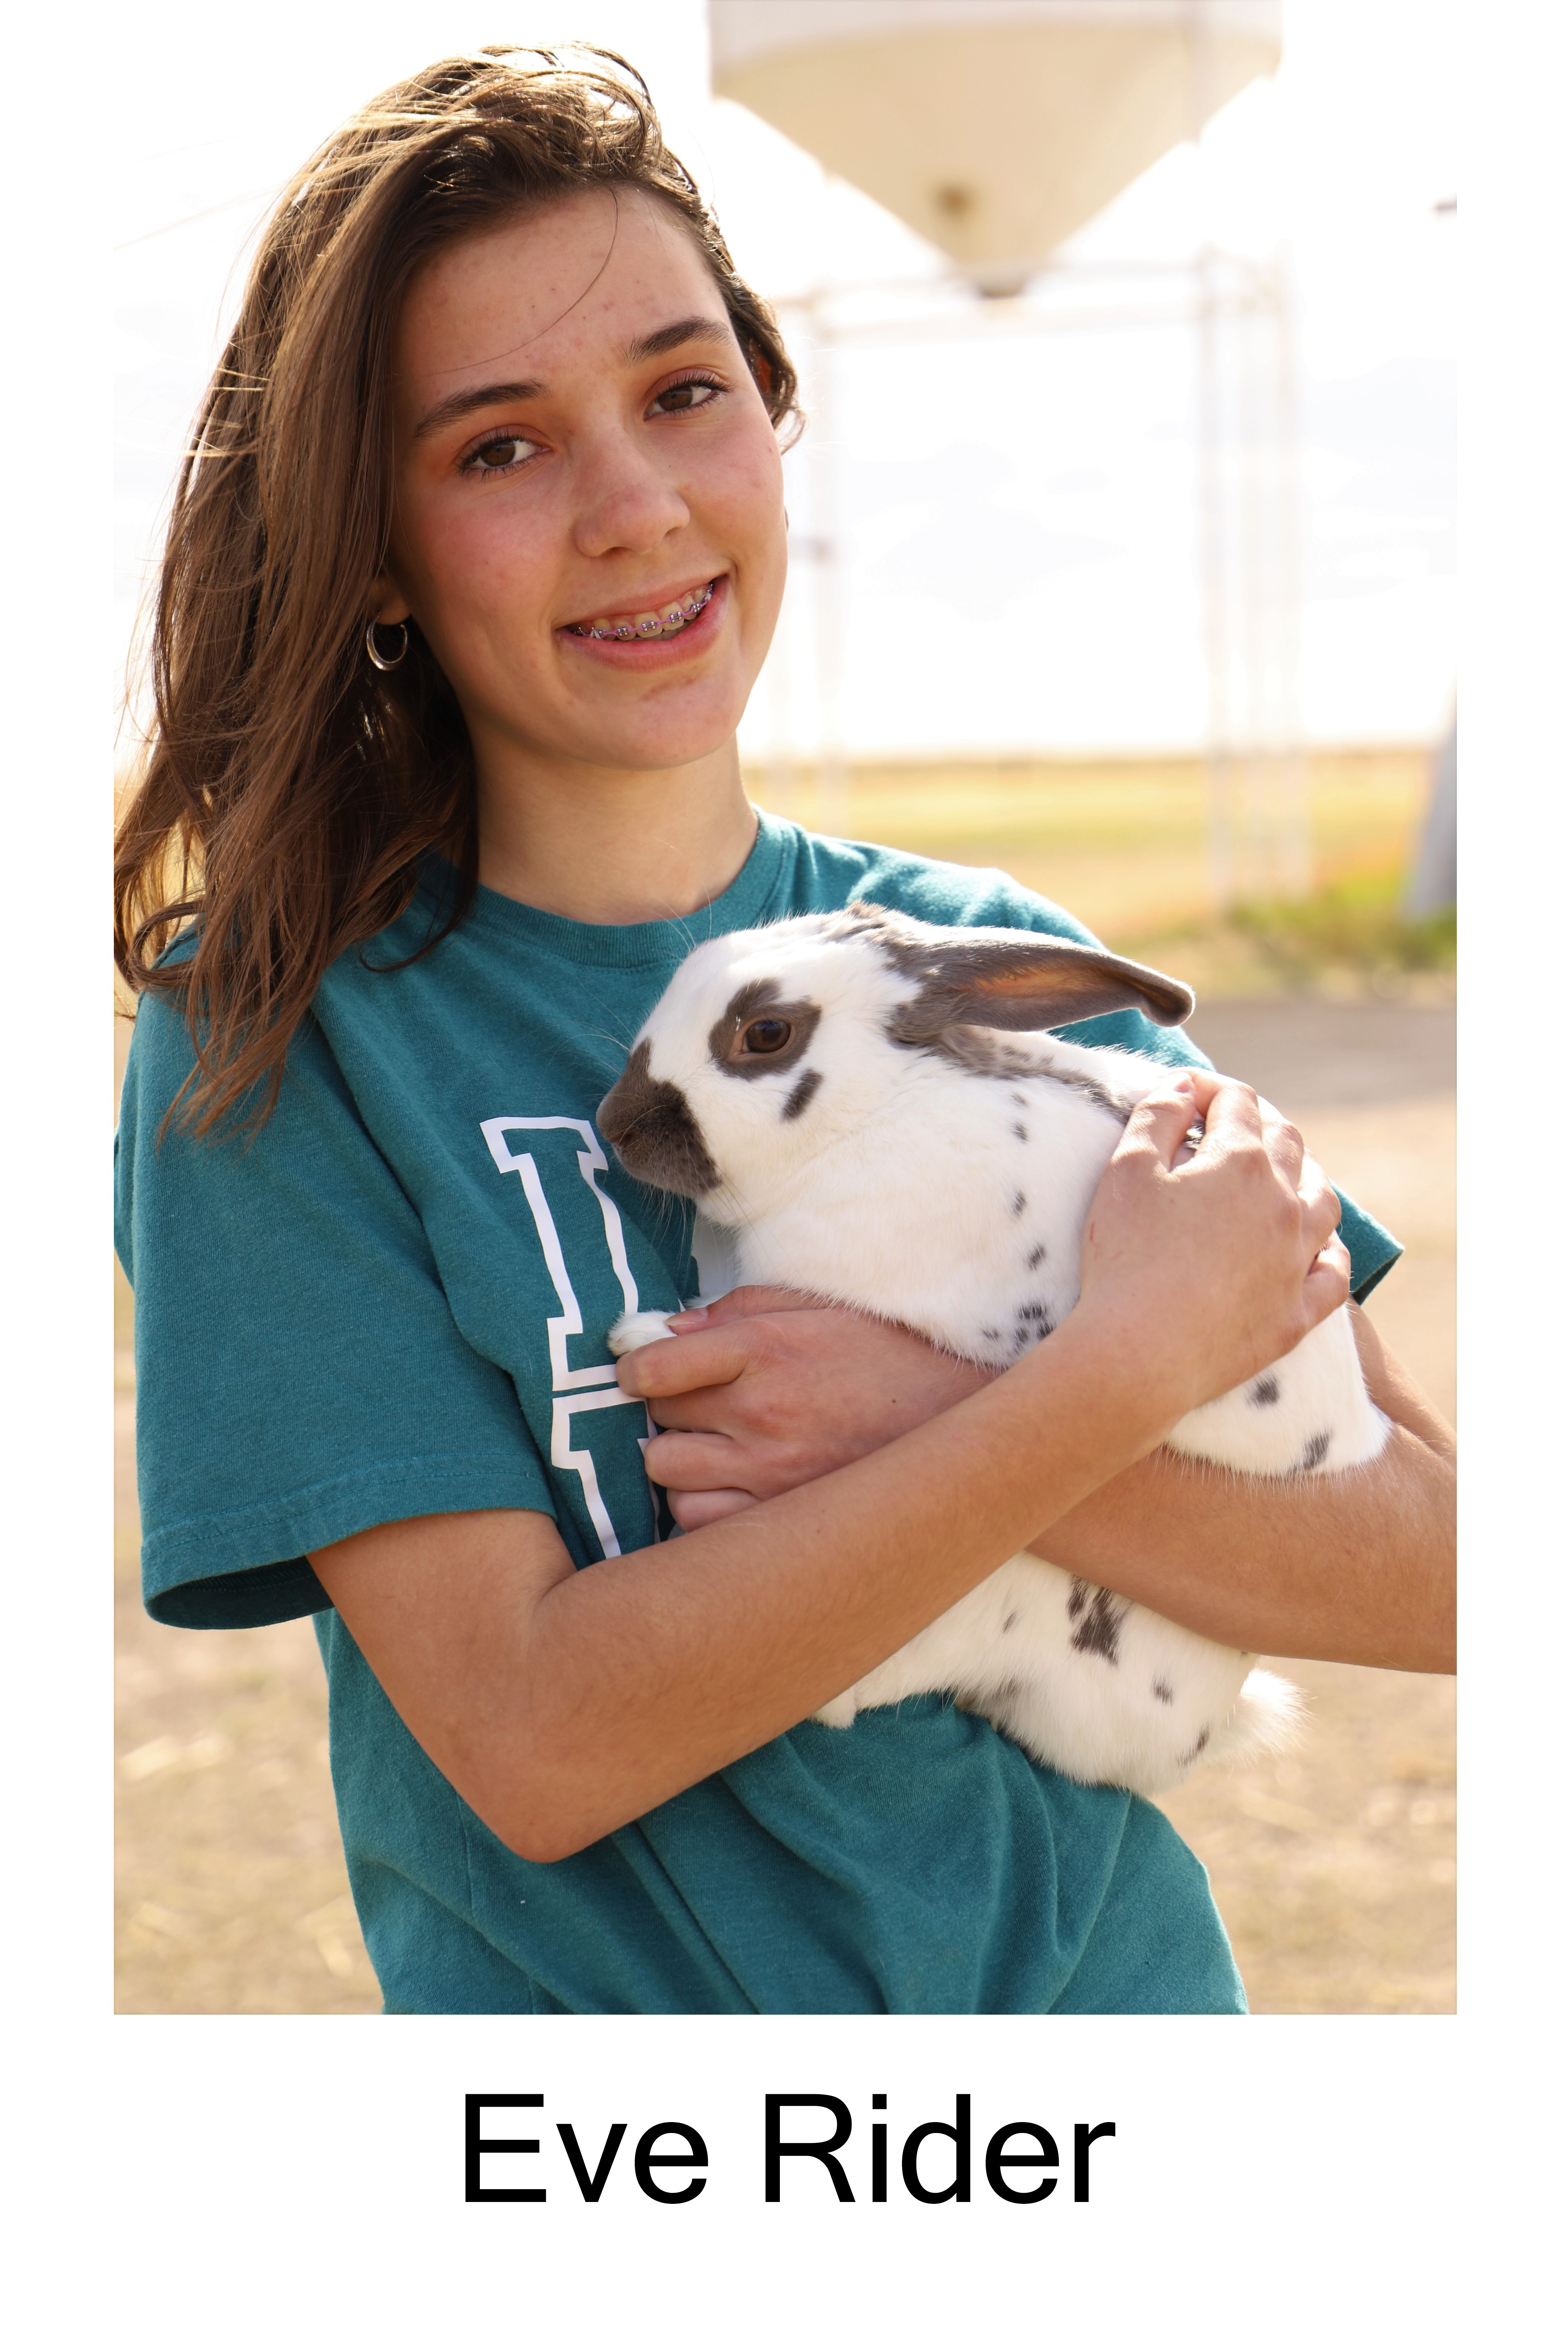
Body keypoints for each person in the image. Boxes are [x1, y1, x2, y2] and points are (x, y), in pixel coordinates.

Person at [114, 49, 1455, 2017]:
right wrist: (1093, 1385)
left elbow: (1446, 1567)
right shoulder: (283, 1039)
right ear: (378, 554)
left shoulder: (996, 967)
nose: (636, 507)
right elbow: (537, 1741)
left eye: (682, 394)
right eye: (501, 446)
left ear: (770, 413)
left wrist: (942, 1418)